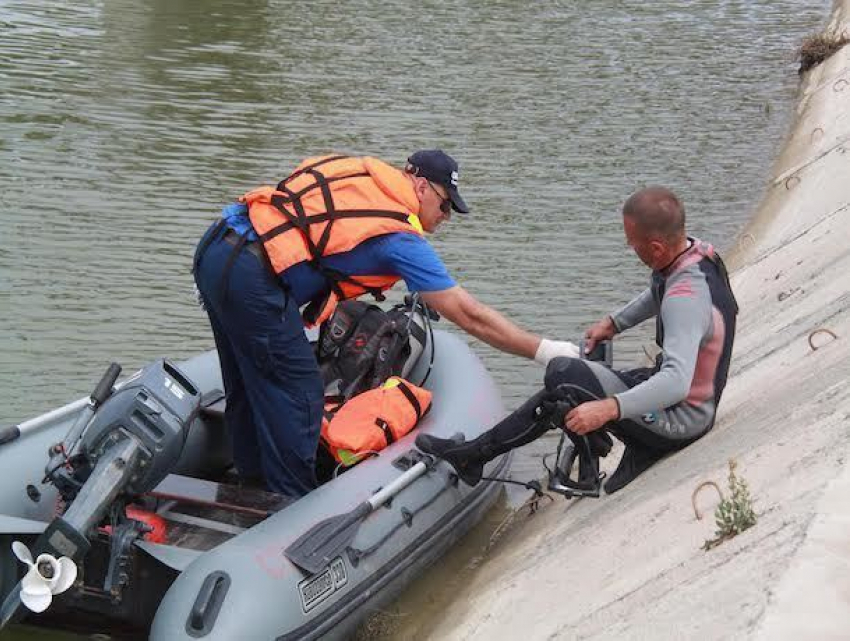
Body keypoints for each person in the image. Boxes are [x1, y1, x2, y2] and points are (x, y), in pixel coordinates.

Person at [192, 150, 579, 497]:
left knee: (245, 381)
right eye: (445, 206)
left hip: (217, 247)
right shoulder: (397, 237)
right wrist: (545, 350)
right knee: (300, 393)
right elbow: (468, 313)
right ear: (421, 186)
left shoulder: (364, 184)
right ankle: (289, 501)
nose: (445, 218)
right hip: (251, 278)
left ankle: (252, 479)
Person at [416, 186, 738, 494]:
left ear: (655, 248)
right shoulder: (694, 255)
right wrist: (614, 323)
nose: (630, 248)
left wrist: (608, 409)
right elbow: (658, 292)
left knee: (563, 374)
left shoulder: (684, 297)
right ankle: (473, 456)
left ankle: (595, 457)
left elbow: (675, 383)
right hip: (678, 399)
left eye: (633, 243)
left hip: (681, 419)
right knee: (568, 381)